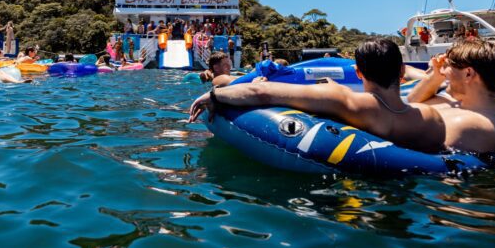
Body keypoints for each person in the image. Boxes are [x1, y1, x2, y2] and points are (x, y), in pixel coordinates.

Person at [190, 38, 447, 153]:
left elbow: (261, 91)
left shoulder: (347, 101)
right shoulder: (432, 117)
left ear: (357, 73)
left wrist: (215, 96)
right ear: (402, 71)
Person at [407, 39, 495, 154]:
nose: (442, 71)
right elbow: (413, 101)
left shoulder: (465, 126)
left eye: (446, 65)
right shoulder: (465, 104)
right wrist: (435, 77)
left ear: (468, 73)